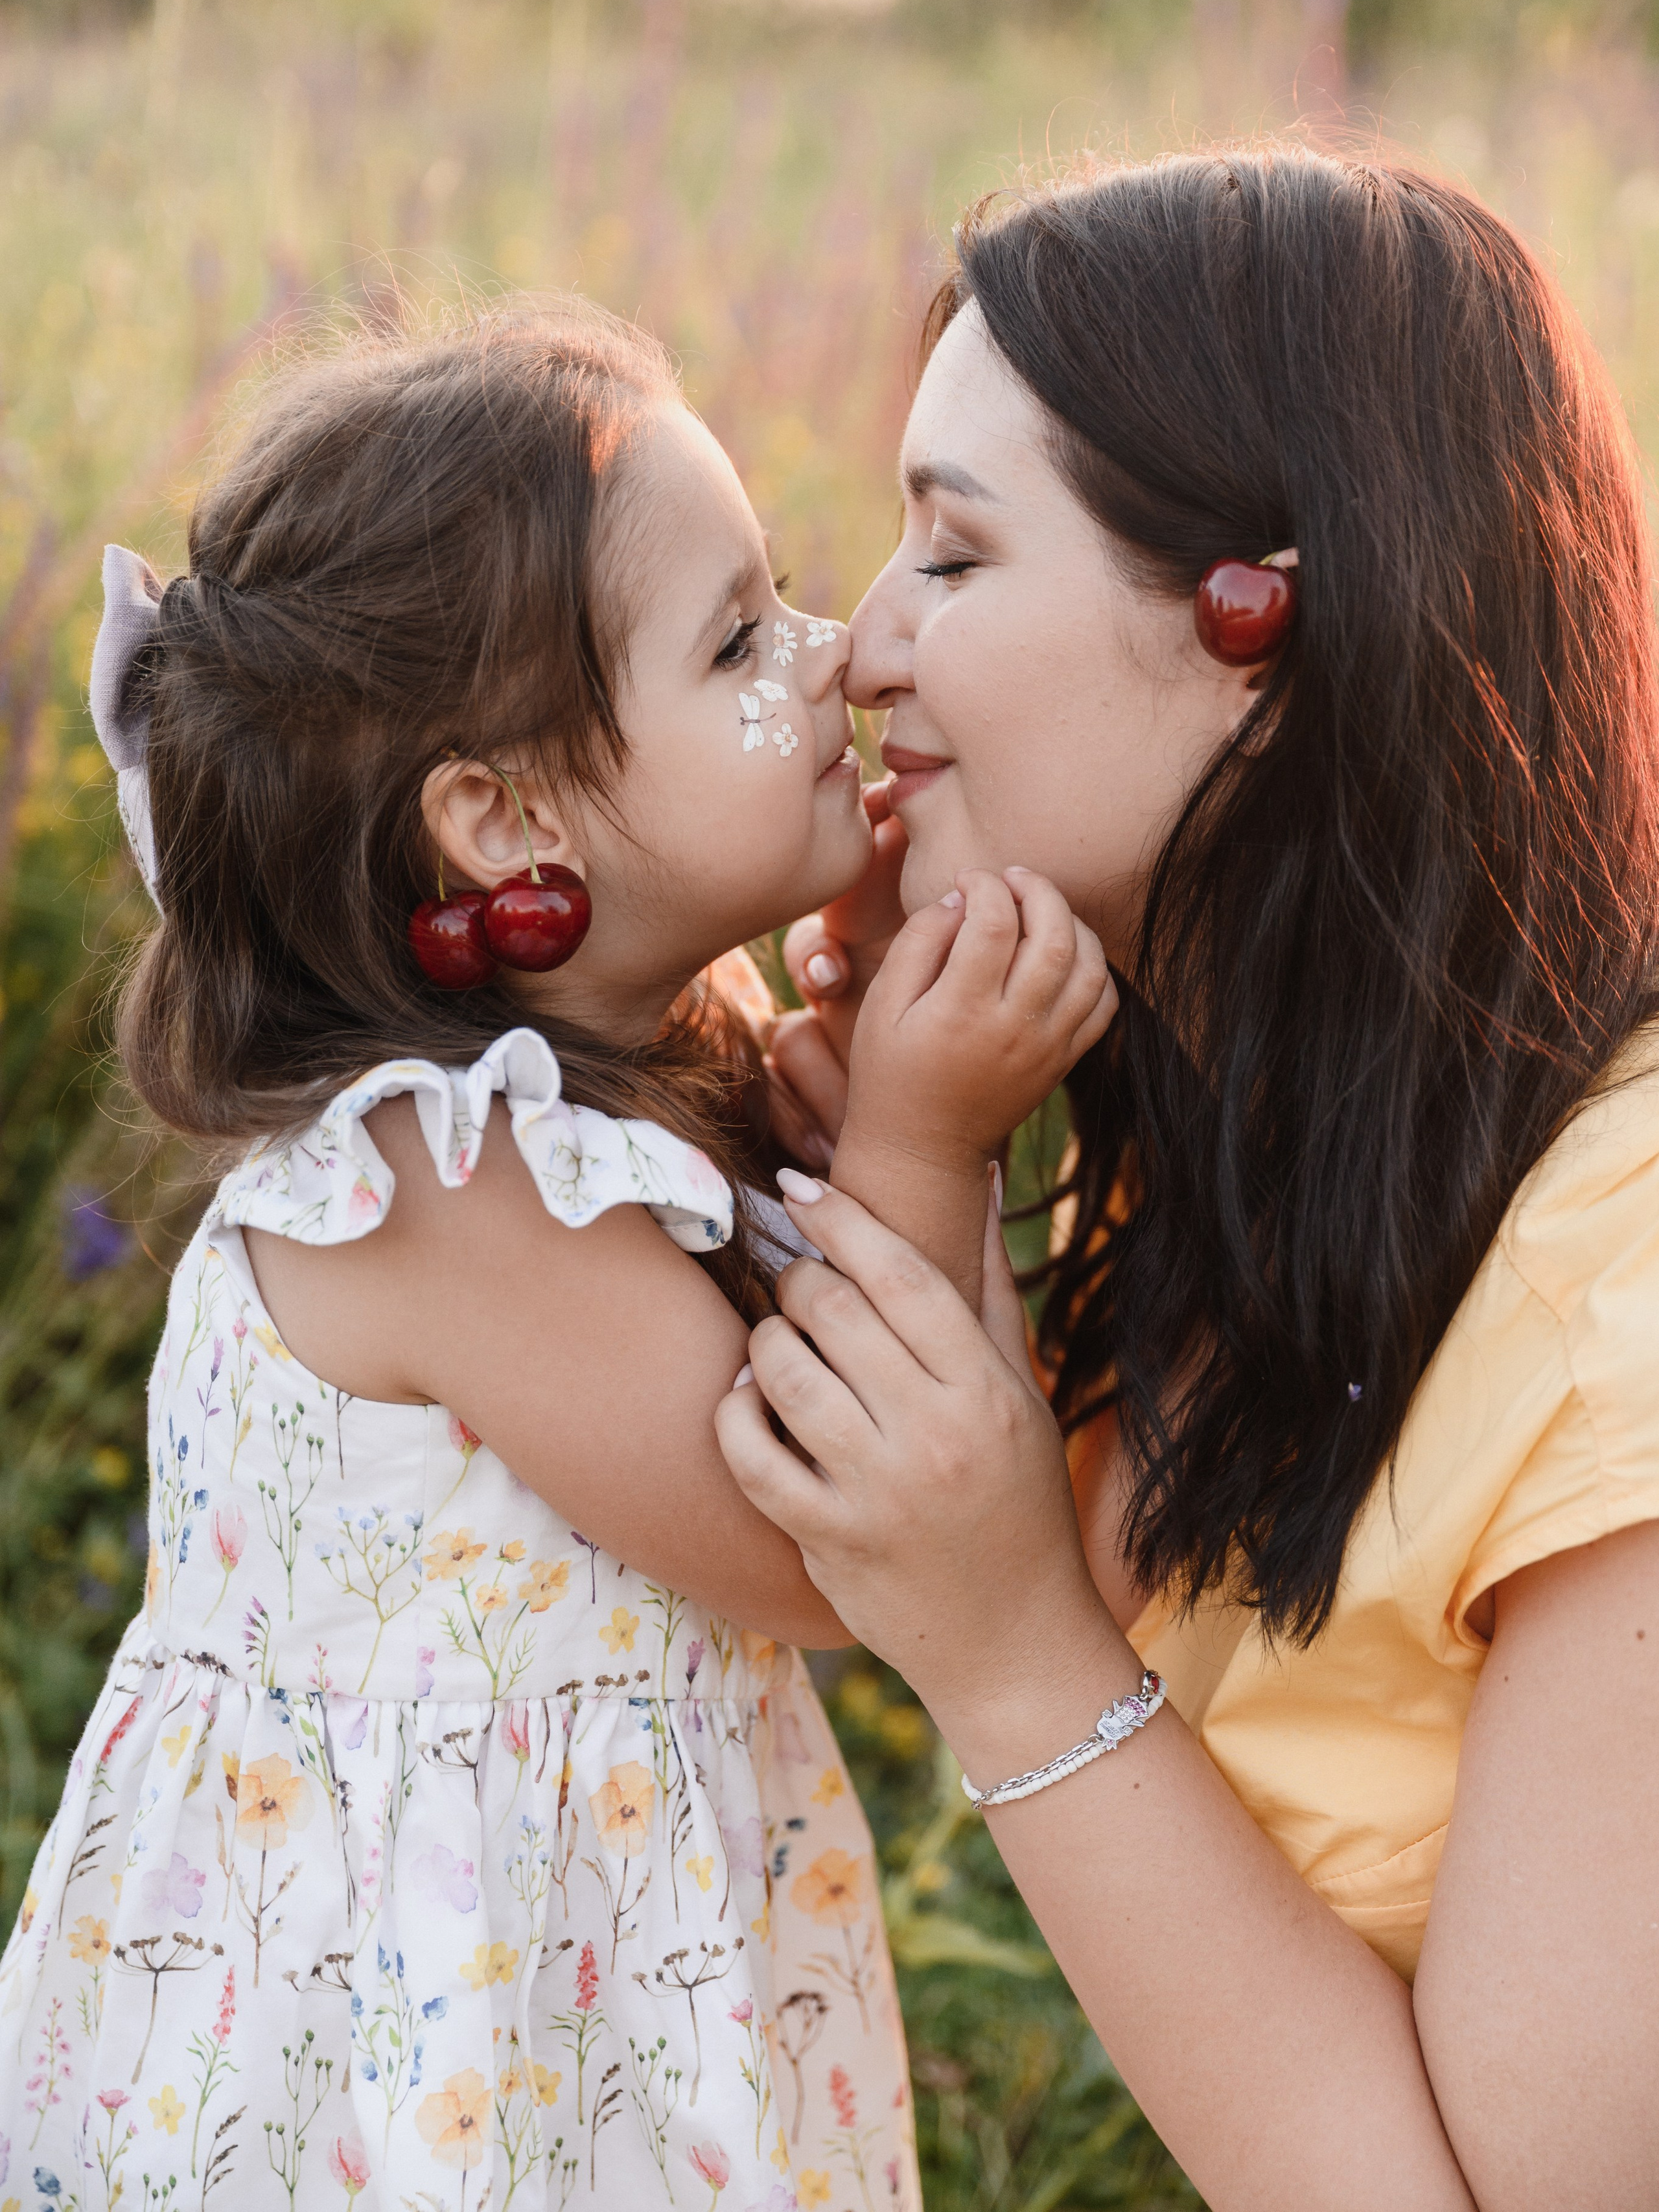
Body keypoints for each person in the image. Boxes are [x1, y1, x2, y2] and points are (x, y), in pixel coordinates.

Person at [0, 305, 1104, 2211]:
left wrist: (854, 1031)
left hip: (571, 1966)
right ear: (502, 820)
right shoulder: (450, 1192)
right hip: (412, 2040)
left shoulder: (636, 1077)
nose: (830, 654)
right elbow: (840, 1546)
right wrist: (926, 1136)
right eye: (738, 640)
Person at [725, 146, 1659, 2209]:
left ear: (1266, 623)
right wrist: (919, 1147)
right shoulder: (1249, 1136)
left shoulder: (1630, 1298)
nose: (863, 649)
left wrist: (1014, 1650)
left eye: (954, 555)